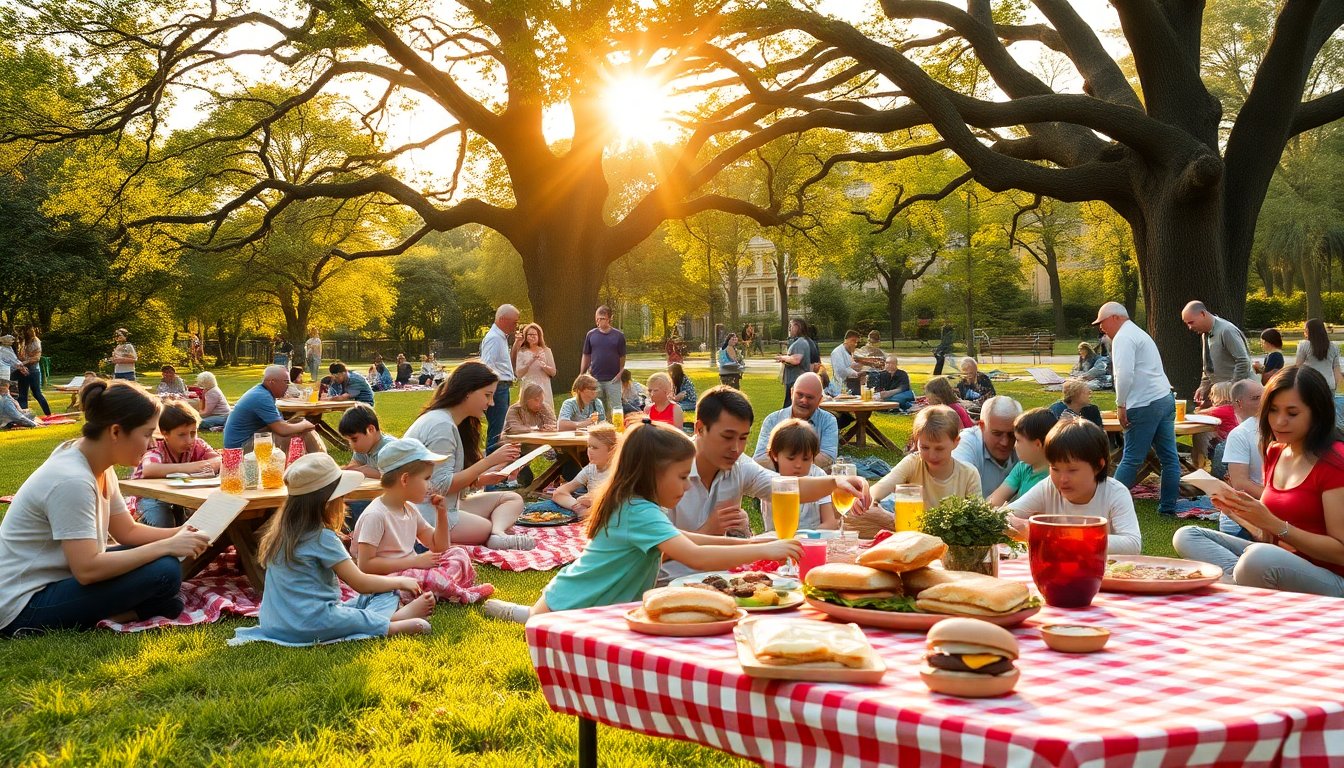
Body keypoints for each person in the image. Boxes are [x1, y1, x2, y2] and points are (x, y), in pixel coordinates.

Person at [481, 421, 805, 623]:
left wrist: (752, 542)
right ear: (652, 474)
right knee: (534, 619)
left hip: (569, 604)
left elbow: (686, 539)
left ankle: (522, 613)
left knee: (532, 616)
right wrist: (768, 548)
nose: (688, 485)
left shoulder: (640, 506)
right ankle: (524, 615)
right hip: (570, 614)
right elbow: (695, 555)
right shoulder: (638, 511)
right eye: (681, 477)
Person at [0, 380, 211, 635]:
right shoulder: (72, 480)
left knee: (164, 563)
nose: (153, 444)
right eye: (146, 434)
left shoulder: (96, 462)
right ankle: (123, 613)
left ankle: (133, 609)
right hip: (23, 602)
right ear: (115, 432)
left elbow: (127, 532)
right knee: (164, 570)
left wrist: (183, 532)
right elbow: (87, 569)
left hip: (58, 578)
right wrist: (166, 545)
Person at [662, 386, 870, 581]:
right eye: (727, 436)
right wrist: (716, 532)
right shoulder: (663, 470)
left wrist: (836, 481)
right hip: (667, 583)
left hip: (724, 577)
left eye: (743, 438)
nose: (736, 448)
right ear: (700, 428)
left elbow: (786, 487)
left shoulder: (739, 465)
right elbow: (658, 547)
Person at [229, 453, 434, 645]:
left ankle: (373, 620)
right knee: (414, 618)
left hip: (275, 623)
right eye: (341, 498)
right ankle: (390, 623)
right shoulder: (322, 537)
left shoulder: (280, 534)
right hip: (312, 624)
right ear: (328, 502)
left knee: (376, 596)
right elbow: (361, 583)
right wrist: (400, 581)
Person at [1174, 366, 1344, 596]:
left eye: (1292, 413)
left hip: (1332, 578)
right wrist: (1238, 512)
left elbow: (1340, 552)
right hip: (1278, 560)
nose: (1279, 421)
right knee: (1188, 535)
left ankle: (1234, 586)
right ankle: (1242, 583)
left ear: (1317, 413)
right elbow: (1267, 538)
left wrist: (1275, 525)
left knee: (1258, 559)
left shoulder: (1336, 461)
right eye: (1273, 410)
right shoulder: (1275, 451)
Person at [403, 361, 532, 550]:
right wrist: (490, 460)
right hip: (428, 512)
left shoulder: (449, 421)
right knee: (485, 526)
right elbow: (441, 487)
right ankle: (493, 532)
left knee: (512, 499)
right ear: (467, 391)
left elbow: (447, 480)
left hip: (447, 504)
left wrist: (488, 476)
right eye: (487, 395)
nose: (492, 403)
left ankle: (497, 534)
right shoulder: (441, 426)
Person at [350, 439, 493, 604]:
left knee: (458, 553)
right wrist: (414, 561)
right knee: (418, 577)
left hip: (412, 570)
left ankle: (441, 588)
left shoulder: (409, 509)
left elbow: (440, 547)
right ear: (405, 480)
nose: (430, 485)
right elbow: (365, 566)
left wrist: (442, 514)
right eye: (426, 479)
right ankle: (455, 591)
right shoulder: (375, 515)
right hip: (388, 580)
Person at [1095, 301, 1181, 516]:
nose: (1101, 328)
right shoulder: (1138, 333)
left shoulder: (1123, 337)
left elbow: (1123, 374)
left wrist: (1120, 404)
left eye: (1102, 322)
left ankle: (1107, 510)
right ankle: (1168, 507)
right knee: (1169, 458)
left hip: (1143, 404)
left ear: (1115, 317)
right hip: (1164, 397)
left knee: (1131, 458)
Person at [1007, 419, 1142, 555]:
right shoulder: (1049, 487)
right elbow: (1004, 515)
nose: (1062, 479)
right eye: (1055, 468)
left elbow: (1132, 544)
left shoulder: (1115, 493)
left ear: (1098, 466)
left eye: (1072, 470)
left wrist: (1055, 536)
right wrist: (1016, 523)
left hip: (1101, 572)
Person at [852, 406, 981, 538]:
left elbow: (976, 520)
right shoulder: (913, 462)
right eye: (924, 447)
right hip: (912, 538)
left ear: (956, 442)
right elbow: (881, 487)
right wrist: (866, 498)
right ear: (916, 441)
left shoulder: (968, 474)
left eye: (939, 449)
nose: (932, 455)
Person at [125, 401, 220, 527]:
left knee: (208, 520)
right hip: (150, 497)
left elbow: (219, 460)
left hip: (179, 497)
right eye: (182, 435)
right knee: (163, 522)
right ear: (165, 434)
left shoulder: (196, 445)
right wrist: (194, 467)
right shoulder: (156, 446)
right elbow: (149, 469)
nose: (190, 440)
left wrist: (209, 464)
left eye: (193, 433)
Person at [759, 419, 839, 533]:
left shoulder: (818, 476)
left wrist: (805, 538)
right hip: (778, 542)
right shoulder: (768, 478)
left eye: (806, 459)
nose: (798, 465)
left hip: (813, 540)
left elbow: (830, 523)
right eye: (791, 458)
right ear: (775, 455)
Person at [752, 373, 839, 470]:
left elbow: (828, 457)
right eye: (800, 394)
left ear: (820, 400)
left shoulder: (828, 421)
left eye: (809, 397)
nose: (804, 400)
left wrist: (786, 464)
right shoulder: (773, 420)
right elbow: (760, 459)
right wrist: (794, 469)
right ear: (792, 393)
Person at [222, 365, 318, 451]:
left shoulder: (262, 392)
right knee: (303, 433)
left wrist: (300, 423)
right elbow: (282, 430)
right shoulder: (262, 397)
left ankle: (319, 464)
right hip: (239, 449)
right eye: (286, 382)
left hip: (247, 440)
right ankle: (325, 464)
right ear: (272, 381)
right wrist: (304, 425)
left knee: (298, 422)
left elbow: (280, 424)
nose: (288, 386)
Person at [1181, 300, 1254, 407]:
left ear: (1202, 314)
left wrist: (1232, 389)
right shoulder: (1204, 334)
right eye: (1187, 323)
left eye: (1191, 322)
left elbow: (1243, 361)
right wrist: (1203, 386)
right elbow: (1208, 366)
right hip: (1222, 396)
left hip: (1240, 395)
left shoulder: (1226, 330)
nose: (1190, 327)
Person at [1219, 378, 1265, 540]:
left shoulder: (1276, 426)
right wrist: (1279, 499)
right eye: (1255, 398)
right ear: (1238, 403)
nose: (1263, 401)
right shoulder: (1241, 434)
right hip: (1245, 521)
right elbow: (1241, 484)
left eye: (1265, 396)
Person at [951, 395, 1021, 496]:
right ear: (982, 426)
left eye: (1011, 434)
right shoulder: (965, 443)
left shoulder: (1024, 443)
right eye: (997, 433)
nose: (1005, 442)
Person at [987, 408, 1057, 506]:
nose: (1015, 445)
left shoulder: (1054, 478)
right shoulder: (1023, 466)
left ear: (1037, 444)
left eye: (1018, 440)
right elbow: (994, 500)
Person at [549, 426, 618, 518]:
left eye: (594, 447)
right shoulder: (591, 469)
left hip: (610, 514)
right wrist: (578, 507)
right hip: (589, 510)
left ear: (612, 450)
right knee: (540, 507)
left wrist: (592, 501)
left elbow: (616, 501)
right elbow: (559, 492)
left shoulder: (618, 471)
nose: (589, 451)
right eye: (588, 446)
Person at [480, 304, 520, 455]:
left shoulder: (500, 337)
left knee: (500, 429)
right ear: (503, 319)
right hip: (497, 389)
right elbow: (487, 366)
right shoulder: (494, 339)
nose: (516, 326)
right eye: (514, 322)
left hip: (501, 388)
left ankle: (496, 470)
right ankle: (493, 471)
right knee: (497, 432)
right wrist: (491, 391)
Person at [580, 305, 627, 421]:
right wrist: (582, 374)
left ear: (609, 319)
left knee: (616, 408)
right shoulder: (591, 335)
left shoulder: (618, 336)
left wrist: (620, 373)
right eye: (597, 319)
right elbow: (586, 355)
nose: (599, 321)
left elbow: (622, 357)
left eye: (602, 318)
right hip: (595, 378)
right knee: (596, 407)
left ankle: (617, 430)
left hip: (613, 379)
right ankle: (599, 431)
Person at [1296, 318, 1344, 423]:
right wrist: (1339, 388)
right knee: (1327, 413)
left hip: (1310, 383)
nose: (1304, 332)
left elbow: (1297, 366)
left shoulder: (1304, 345)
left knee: (1311, 414)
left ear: (1310, 331)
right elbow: (1337, 370)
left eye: (1305, 329)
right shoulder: (1333, 347)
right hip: (1329, 385)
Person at [340, 404, 396, 480]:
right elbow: (355, 464)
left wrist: (364, 471)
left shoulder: (390, 449)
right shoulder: (364, 448)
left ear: (370, 429)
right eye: (349, 441)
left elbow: (394, 477)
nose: (351, 445)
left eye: (354, 439)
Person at [1191, 381, 1239, 470]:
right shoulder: (1234, 407)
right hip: (1229, 439)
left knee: (1200, 434)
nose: (1210, 396)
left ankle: (1199, 463)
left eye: (1213, 393)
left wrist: (1200, 408)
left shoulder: (1221, 410)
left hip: (1223, 442)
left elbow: (1197, 414)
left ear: (1220, 395)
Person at [775, 318, 814, 407]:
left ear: (797, 327)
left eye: (791, 326)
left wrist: (782, 357)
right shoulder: (800, 342)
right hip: (793, 381)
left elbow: (796, 360)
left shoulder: (800, 343)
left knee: (790, 409)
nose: (789, 329)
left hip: (795, 381)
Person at [512, 322, 556, 404]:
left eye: (535, 334)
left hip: (544, 388)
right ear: (525, 336)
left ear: (539, 336)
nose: (532, 336)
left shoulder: (546, 351)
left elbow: (553, 372)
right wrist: (529, 362)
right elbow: (519, 374)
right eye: (530, 334)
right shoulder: (522, 352)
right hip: (528, 387)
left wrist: (544, 366)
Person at [17, 327, 50, 416]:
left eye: (23, 332)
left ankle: (48, 414)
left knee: (37, 393)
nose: (21, 334)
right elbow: (21, 355)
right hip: (23, 371)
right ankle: (25, 416)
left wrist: (24, 362)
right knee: (22, 395)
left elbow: (36, 358)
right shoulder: (23, 342)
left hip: (33, 371)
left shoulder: (36, 342)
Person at [830, 330, 862, 396]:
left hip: (850, 385)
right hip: (840, 389)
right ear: (846, 340)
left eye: (856, 342)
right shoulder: (837, 352)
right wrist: (856, 373)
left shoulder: (850, 352)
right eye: (853, 341)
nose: (855, 344)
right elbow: (841, 371)